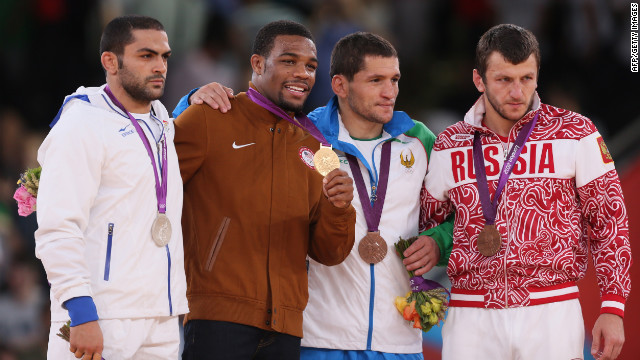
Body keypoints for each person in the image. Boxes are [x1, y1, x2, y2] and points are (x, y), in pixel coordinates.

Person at [178, 32, 455, 359]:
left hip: (398, 340)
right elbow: (205, 137)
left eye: (395, 80)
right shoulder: (309, 136)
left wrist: (439, 241)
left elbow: (465, 211)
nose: (389, 92)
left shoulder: (419, 141)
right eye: (376, 80)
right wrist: (193, 98)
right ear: (339, 86)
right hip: (317, 339)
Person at [420, 24, 631, 360]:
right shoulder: (449, 144)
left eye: (527, 78)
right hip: (470, 314)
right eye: (504, 79)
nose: (517, 92)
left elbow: (609, 222)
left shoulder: (576, 132)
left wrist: (612, 306)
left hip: (551, 310)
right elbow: (430, 226)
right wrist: (433, 244)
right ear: (479, 80)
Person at [172, 20, 357, 359]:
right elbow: (152, 180)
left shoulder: (318, 149)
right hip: (218, 316)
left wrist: (340, 208)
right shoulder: (211, 117)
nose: (302, 73)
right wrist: (184, 105)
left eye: (311, 66)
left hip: (285, 328)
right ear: (257, 64)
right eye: (289, 61)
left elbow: (329, 252)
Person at [34, 15, 188, 360]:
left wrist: (198, 95)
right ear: (110, 61)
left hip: (161, 316)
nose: (159, 66)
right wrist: (80, 310)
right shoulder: (81, 124)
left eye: (164, 56)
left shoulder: (160, 118)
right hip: (101, 314)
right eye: (146, 55)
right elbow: (57, 228)